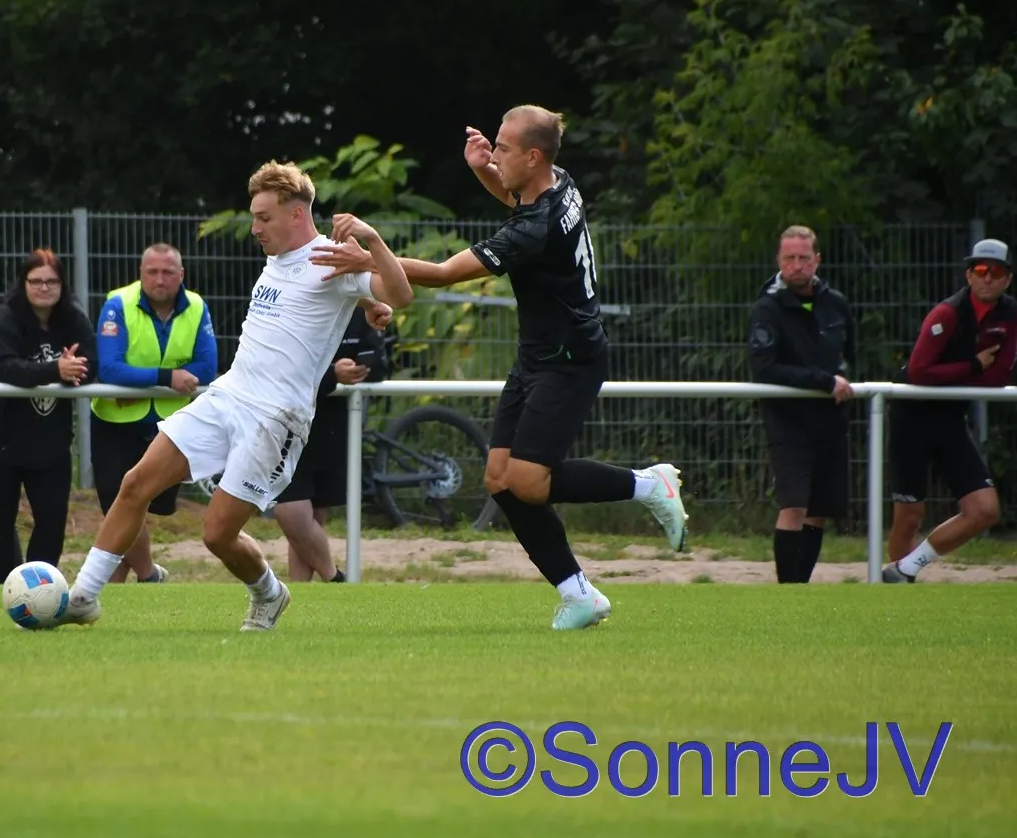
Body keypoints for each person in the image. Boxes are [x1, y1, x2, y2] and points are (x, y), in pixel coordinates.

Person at [312, 105, 688, 630]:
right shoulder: (556, 181)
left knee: (528, 482)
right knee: (500, 480)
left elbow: (443, 273)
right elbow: (514, 194)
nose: (495, 154)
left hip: (571, 361)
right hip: (538, 355)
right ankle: (578, 595)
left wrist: (369, 259)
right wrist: (484, 170)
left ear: (532, 156)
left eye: (503, 149)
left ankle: (647, 485)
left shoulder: (536, 227)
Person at [62, 161, 412, 631]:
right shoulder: (279, 255)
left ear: (296, 214)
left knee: (217, 535)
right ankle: (82, 597)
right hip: (228, 396)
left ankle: (269, 593)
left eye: (263, 217)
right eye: (254, 217)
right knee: (134, 484)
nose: (254, 228)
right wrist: (368, 303)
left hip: (275, 419)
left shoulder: (336, 259)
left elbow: (401, 294)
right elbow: (312, 294)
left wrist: (372, 246)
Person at [882, 238, 1017, 583]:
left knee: (985, 510)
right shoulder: (947, 313)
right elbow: (919, 372)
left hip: (950, 419)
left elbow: (999, 375)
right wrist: (973, 365)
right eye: (980, 270)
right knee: (909, 515)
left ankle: (906, 570)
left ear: (1008, 279)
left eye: (996, 272)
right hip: (911, 417)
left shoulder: (1011, 313)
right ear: (968, 275)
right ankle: (894, 591)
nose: (987, 278)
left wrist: (958, 375)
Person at [0, 248, 96, 582]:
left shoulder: (74, 319)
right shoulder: (4, 318)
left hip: (49, 441)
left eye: (51, 281)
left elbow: (91, 365)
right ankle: (0, 590)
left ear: (62, 285)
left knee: (52, 520)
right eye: (35, 281)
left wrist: (74, 370)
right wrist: (56, 369)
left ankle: (40, 590)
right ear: (23, 283)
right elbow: (1, 367)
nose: (43, 288)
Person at [91, 243, 218, 584]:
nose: (159, 279)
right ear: (140, 273)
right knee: (121, 505)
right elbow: (110, 369)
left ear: (181, 275)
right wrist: (167, 378)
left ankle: (119, 588)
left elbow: (207, 367)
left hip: (169, 426)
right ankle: (147, 575)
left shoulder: (196, 307)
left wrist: (146, 380)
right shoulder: (118, 304)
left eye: (167, 272)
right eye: (152, 272)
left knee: (141, 506)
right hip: (115, 425)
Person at [747, 225, 856, 583]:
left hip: (830, 420)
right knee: (793, 505)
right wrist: (823, 381)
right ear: (779, 260)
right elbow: (764, 368)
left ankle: (800, 587)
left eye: (804, 258)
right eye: (790, 258)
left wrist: (837, 382)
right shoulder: (767, 308)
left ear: (817, 260)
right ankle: (787, 591)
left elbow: (849, 356)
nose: (797, 265)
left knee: (819, 510)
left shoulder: (835, 303)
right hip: (787, 422)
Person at [273, 305, 390, 582]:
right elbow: (280, 367)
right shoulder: (292, 306)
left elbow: (380, 365)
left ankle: (301, 593)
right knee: (290, 510)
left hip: (333, 427)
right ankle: (334, 577)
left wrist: (360, 369)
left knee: (314, 516)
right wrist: (332, 375)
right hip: (287, 423)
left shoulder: (360, 310)